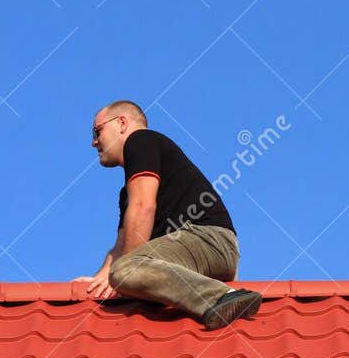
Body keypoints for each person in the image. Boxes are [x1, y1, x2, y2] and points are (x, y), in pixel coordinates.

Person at [75, 101, 262, 330]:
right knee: (122, 270)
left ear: (122, 123)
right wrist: (96, 283)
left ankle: (222, 297)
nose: (94, 141)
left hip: (209, 240)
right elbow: (120, 246)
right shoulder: (127, 192)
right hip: (189, 253)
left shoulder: (140, 140)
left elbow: (143, 207)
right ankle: (216, 296)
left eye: (97, 131)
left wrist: (123, 277)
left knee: (126, 270)